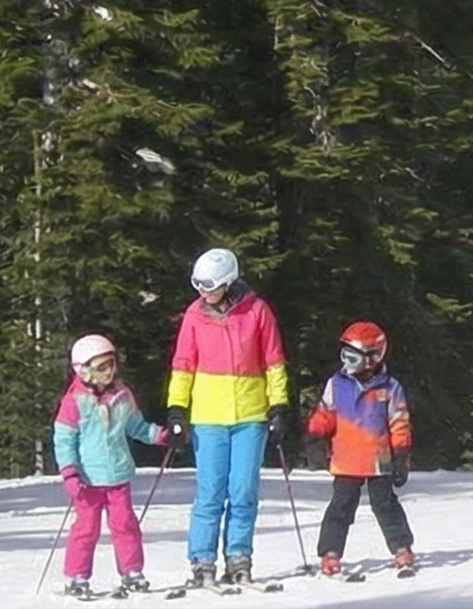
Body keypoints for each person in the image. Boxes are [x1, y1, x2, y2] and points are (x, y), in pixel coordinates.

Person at [168, 247, 290, 590]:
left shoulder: (257, 311)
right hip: (208, 416)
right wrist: (177, 409)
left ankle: (238, 557)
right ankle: (202, 559)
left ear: (227, 281)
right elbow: (183, 364)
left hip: (250, 415)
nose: (202, 291)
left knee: (243, 491)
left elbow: (274, 362)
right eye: (198, 284)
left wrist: (278, 406)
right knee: (210, 491)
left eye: (208, 284)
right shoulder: (195, 315)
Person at [53, 333, 173, 600]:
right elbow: (63, 441)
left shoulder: (122, 396)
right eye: (102, 367)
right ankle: (77, 575)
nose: (109, 372)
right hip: (88, 480)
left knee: (126, 525)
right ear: (83, 371)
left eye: (111, 364)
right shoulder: (74, 402)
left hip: (118, 475)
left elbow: (137, 427)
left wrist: (161, 436)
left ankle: (131, 571)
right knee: (86, 529)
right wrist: (70, 471)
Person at [306, 321, 417, 578]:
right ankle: (330, 552)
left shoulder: (389, 388)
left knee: (385, 504)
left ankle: (401, 547)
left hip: (379, 459)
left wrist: (401, 455)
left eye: (353, 356)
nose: (347, 361)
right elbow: (324, 413)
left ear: (373, 357)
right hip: (346, 458)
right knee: (341, 506)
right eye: (345, 354)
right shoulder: (337, 383)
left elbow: (399, 422)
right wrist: (314, 437)